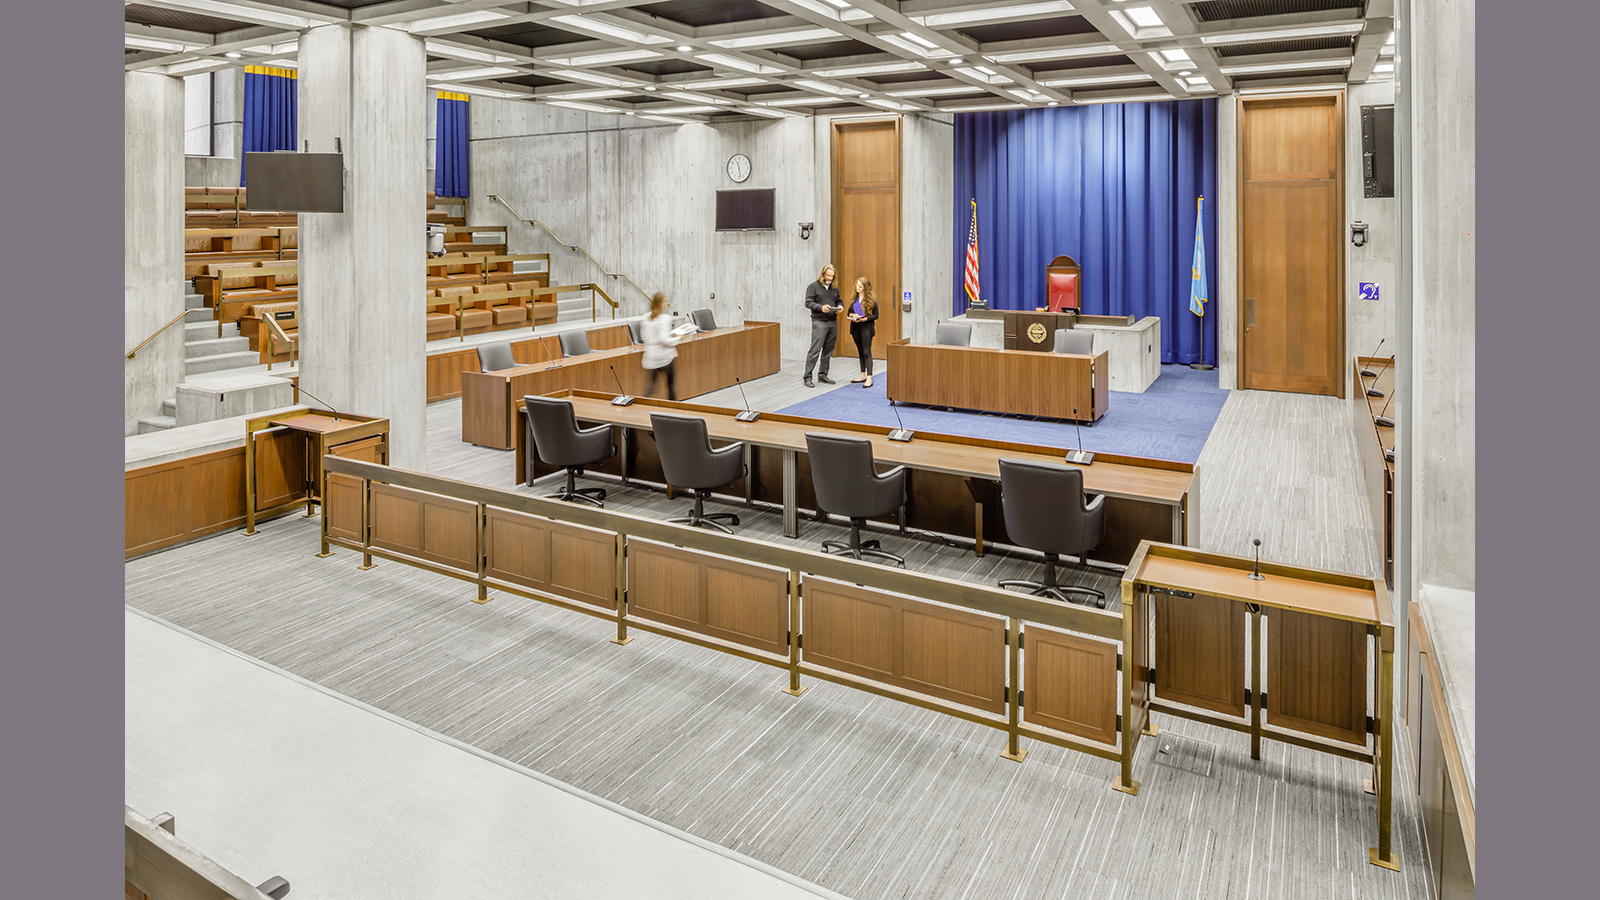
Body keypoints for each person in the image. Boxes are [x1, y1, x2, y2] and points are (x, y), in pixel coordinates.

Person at [802, 263, 841, 388]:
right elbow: (808, 302)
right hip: (819, 322)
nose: (830, 278)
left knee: (828, 351)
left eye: (832, 276)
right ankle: (807, 377)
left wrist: (840, 306)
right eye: (828, 275)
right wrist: (820, 308)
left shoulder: (834, 288)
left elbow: (838, 299)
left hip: (832, 321)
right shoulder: (813, 286)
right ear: (823, 274)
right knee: (815, 350)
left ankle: (823, 375)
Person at [641, 291, 681, 401]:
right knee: (671, 387)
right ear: (660, 303)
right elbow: (664, 340)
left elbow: (645, 337)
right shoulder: (664, 319)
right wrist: (678, 338)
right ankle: (673, 409)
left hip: (652, 357)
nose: (665, 304)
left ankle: (642, 406)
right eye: (664, 301)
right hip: (665, 358)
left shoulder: (646, 318)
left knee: (650, 387)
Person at [846, 276, 879, 388]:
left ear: (865, 288)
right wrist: (853, 315)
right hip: (855, 327)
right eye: (857, 285)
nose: (857, 288)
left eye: (860, 286)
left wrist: (864, 318)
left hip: (866, 327)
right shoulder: (853, 298)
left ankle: (869, 377)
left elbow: (876, 315)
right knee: (860, 351)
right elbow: (848, 313)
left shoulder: (871, 300)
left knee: (866, 351)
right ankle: (862, 375)